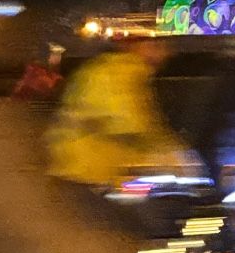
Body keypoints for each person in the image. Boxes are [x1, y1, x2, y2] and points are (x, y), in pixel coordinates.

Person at [46, 35, 190, 193]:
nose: (165, 53)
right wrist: (174, 157)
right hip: (89, 171)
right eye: (157, 46)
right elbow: (128, 126)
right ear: (136, 47)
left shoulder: (104, 67)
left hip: (75, 166)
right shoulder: (123, 72)